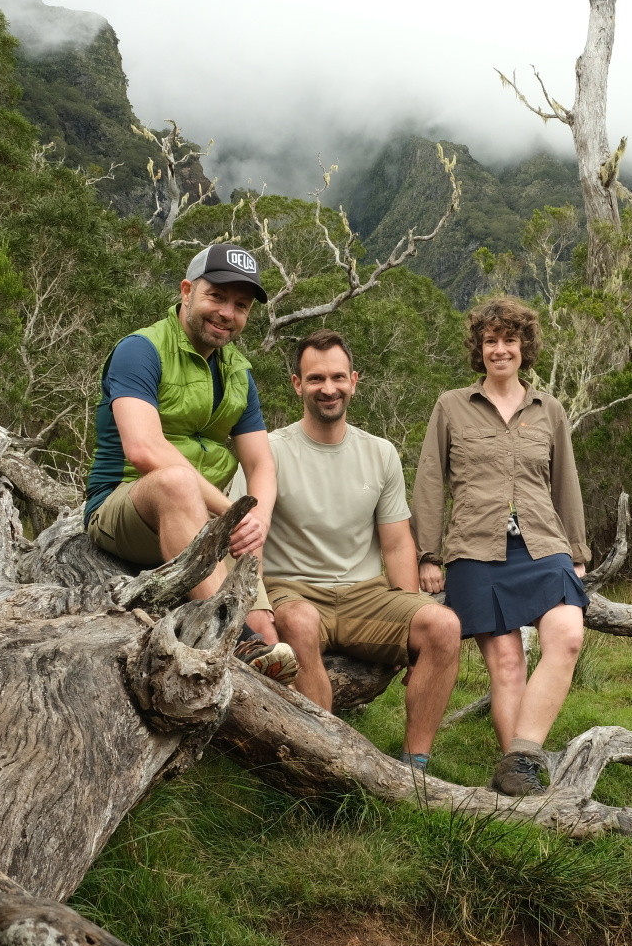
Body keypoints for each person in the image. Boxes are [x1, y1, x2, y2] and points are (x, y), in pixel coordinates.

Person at [412, 296, 590, 797]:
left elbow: (566, 484)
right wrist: (428, 554)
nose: (500, 349)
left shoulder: (548, 409)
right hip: (475, 551)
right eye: (490, 341)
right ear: (479, 349)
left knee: (567, 638)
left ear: (524, 346)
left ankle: (521, 757)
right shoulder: (451, 407)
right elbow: (429, 482)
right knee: (508, 664)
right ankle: (521, 781)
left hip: (543, 546)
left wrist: (576, 554)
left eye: (509, 340)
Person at [261, 329, 463, 765]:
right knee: (298, 620)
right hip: (292, 589)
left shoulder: (381, 453)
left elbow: (395, 544)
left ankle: (415, 768)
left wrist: (410, 618)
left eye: (337, 377)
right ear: (297, 384)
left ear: (355, 380)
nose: (328, 389)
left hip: (364, 594)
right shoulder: (269, 452)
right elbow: (244, 542)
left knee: (443, 627)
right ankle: (319, 762)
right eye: (315, 379)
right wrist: (256, 614)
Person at [83, 243, 286, 675]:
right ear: (187, 291)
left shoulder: (238, 372)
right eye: (217, 297)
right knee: (175, 480)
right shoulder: (142, 349)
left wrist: (258, 519)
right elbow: (144, 450)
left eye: (241, 305)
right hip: (125, 503)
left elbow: (262, 465)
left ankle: (258, 695)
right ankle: (224, 630)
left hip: (210, 517)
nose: (227, 313)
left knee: (271, 643)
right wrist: (232, 512)